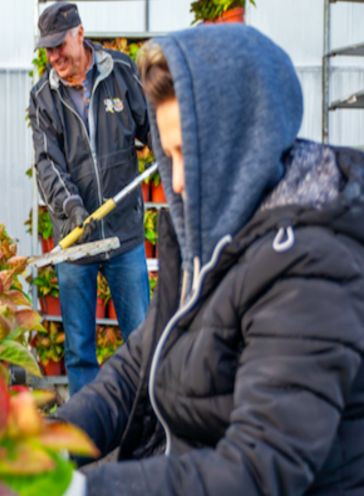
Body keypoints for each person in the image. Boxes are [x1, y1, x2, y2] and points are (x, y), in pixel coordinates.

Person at [53, 24, 364, 495]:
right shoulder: (211, 232)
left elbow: (259, 469)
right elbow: (140, 363)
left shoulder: (311, 265)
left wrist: (81, 490)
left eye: (187, 156)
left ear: (241, 146)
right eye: (167, 154)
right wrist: (43, 446)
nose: (175, 182)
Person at [29, 1, 152, 394]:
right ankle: (86, 441)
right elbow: (48, 165)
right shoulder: (43, 97)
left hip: (124, 233)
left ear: (79, 34)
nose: (54, 56)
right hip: (75, 242)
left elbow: (151, 125)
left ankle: (148, 429)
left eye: (59, 45)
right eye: (47, 49)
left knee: (141, 341)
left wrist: (172, 152)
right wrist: (74, 209)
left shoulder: (122, 71)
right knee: (80, 352)